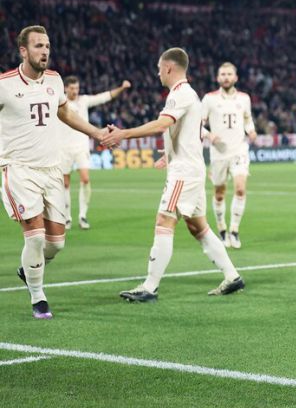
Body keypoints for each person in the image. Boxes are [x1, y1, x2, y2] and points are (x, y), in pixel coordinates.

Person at [102, 48, 245, 302]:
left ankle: (149, 287)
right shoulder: (186, 94)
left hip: (184, 173)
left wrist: (124, 133)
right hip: (190, 168)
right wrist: (168, 155)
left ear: (168, 68)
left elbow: (162, 124)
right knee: (198, 226)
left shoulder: (181, 94)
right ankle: (232, 276)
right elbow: (187, 132)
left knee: (164, 221)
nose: (158, 73)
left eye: (159, 68)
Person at [1, 25, 108, 319]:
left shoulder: (55, 79)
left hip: (52, 169)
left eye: (47, 46)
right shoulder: (5, 84)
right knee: (35, 238)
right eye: (38, 46)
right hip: (19, 169)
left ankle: (28, 270)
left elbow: (64, 113)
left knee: (56, 243)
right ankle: (38, 298)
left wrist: (96, 133)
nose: (45, 51)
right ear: (23, 51)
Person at [60, 75, 131, 230]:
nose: (75, 91)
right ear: (65, 88)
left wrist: (122, 88)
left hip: (81, 146)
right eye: (72, 88)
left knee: (85, 179)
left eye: (77, 88)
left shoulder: (84, 100)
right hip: (63, 147)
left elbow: (104, 97)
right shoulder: (60, 102)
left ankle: (82, 216)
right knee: (65, 183)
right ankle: (66, 218)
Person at [201, 62, 257, 249]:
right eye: (223, 74)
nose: (226, 77)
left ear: (235, 77)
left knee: (240, 189)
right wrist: (209, 135)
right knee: (219, 193)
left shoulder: (244, 98)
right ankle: (222, 229)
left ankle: (234, 230)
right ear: (218, 78)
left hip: (239, 150)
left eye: (229, 74)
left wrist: (251, 130)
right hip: (219, 153)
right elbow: (198, 123)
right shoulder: (209, 99)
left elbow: (247, 119)